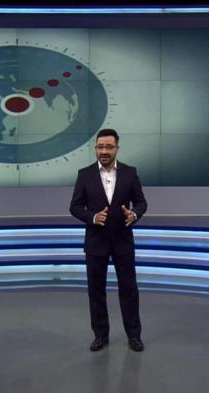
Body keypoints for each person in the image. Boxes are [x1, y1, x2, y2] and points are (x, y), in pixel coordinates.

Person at [69, 129, 148, 352]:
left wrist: (134, 214)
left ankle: (134, 336)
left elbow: (141, 203)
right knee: (96, 291)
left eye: (108, 147)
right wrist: (93, 217)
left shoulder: (130, 173)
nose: (104, 151)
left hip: (123, 242)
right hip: (96, 243)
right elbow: (75, 206)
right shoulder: (84, 174)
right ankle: (100, 335)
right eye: (100, 147)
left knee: (129, 290)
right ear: (96, 148)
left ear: (117, 149)